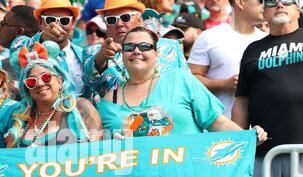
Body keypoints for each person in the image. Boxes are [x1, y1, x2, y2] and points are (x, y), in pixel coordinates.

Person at [97, 27, 267, 143]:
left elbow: (217, 123)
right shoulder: (108, 101)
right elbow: (102, 148)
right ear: (122, 54)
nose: (136, 51)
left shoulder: (181, 80)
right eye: (129, 47)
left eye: (144, 46)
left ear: (156, 54)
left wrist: (249, 138)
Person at [232, 0, 303, 177]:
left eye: (287, 1)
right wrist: (239, 147)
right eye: (272, 2)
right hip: (263, 156)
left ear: (298, 8)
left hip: (302, 151)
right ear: (264, 10)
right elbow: (241, 102)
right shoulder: (252, 49)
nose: (280, 5)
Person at [83, 0, 188, 98]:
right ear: (106, 25)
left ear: (140, 19)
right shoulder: (95, 52)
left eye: (125, 18)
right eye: (111, 20)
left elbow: (188, 84)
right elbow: (89, 81)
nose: (119, 24)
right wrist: (101, 58)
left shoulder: (171, 46)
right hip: (121, 114)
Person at [6, 41, 103, 147]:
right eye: (31, 81)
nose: (40, 84)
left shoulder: (80, 107)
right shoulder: (21, 117)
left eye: (46, 77)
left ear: (60, 81)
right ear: (27, 89)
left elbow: (97, 150)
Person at [188, 0, 266, 118]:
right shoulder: (209, 37)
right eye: (260, 1)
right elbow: (189, 79)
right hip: (217, 126)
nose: (264, 6)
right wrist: (223, 84)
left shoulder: (266, 39)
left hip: (259, 128)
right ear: (240, 2)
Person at [10, 0, 87, 96]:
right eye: (50, 20)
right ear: (40, 23)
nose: (56, 25)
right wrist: (41, 39)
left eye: (64, 20)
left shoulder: (84, 54)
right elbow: (15, 54)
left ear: (72, 23)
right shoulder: (26, 44)